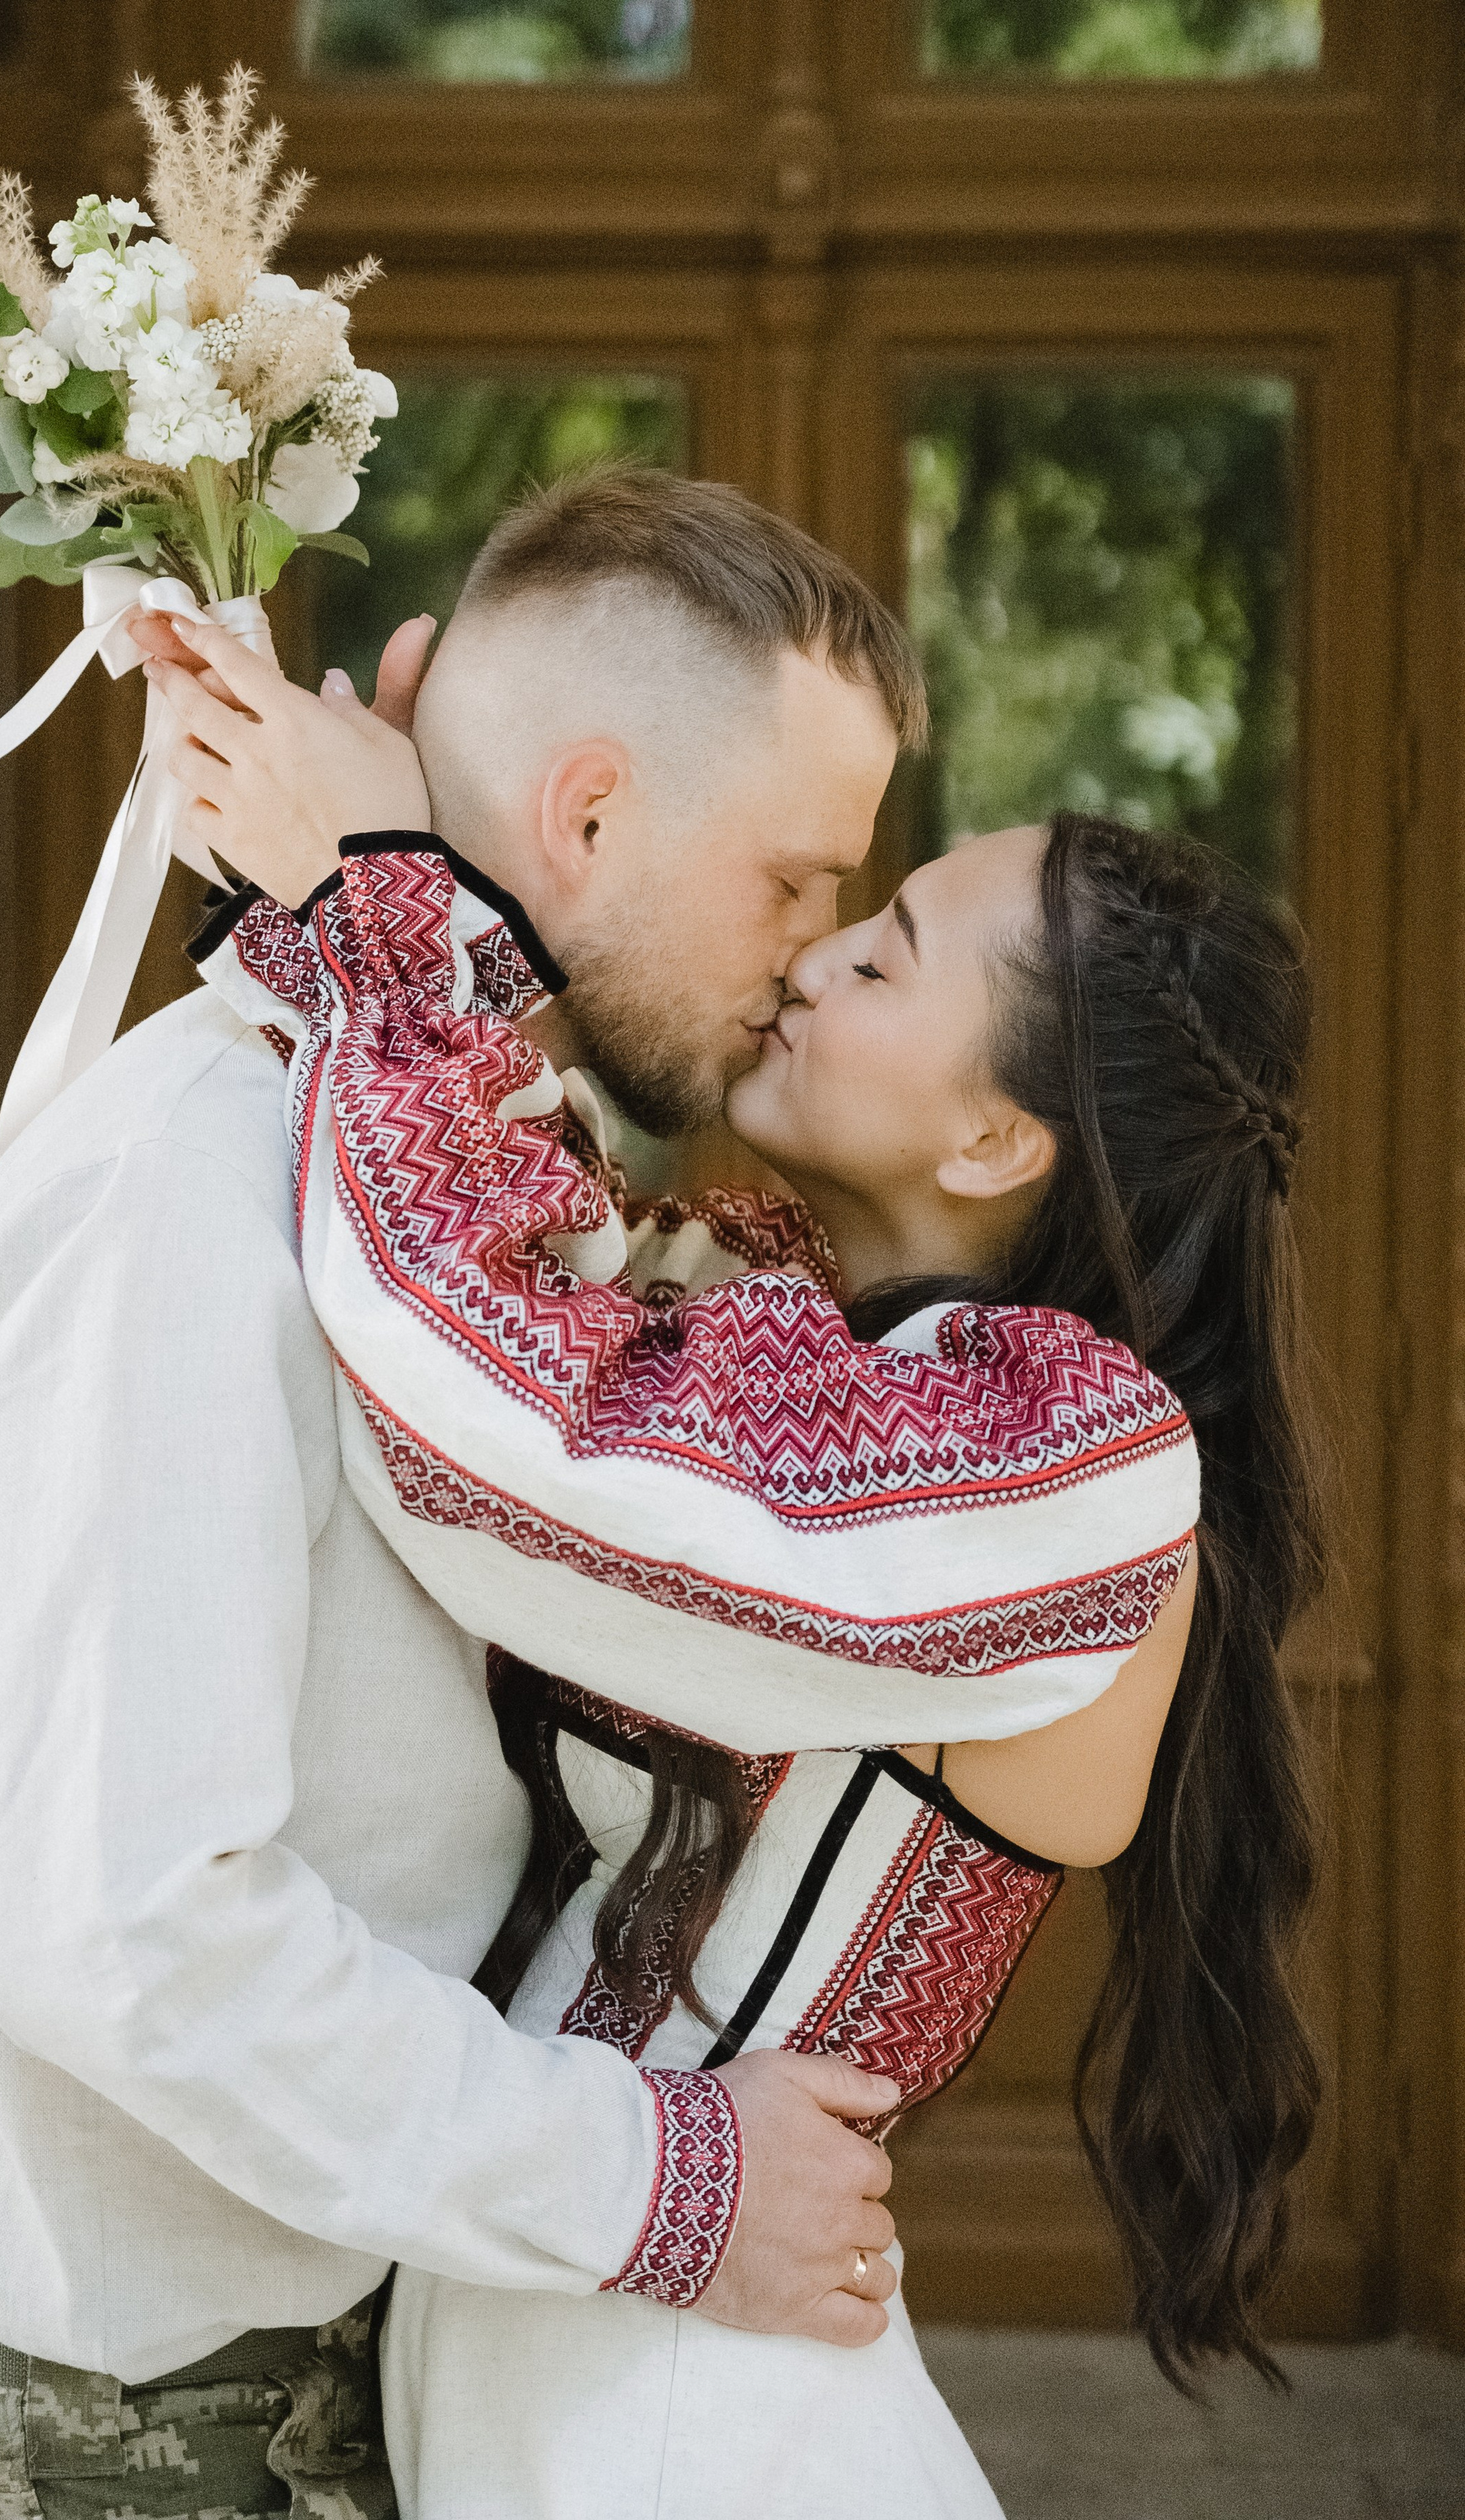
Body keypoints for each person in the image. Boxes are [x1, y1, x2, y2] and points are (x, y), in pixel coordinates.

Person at [0, 468, 1048, 2520]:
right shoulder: (182, 1205)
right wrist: (662, 2177)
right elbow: (127, 1930)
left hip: (335, 2324)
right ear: (586, 818)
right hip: (142, 2415)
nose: (810, 962)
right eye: (798, 883)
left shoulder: (430, 1185)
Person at [149, 561, 1324, 2516]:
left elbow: (535, 1439)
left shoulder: (1082, 1462)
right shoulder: (780, 1308)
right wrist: (388, 833)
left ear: (992, 1142)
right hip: (568, 2342)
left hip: (706, 2420)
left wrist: (381, 892)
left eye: (885, 957)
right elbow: (488, 1203)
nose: (814, 957)